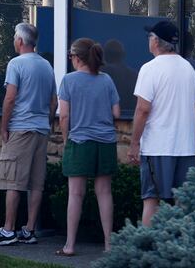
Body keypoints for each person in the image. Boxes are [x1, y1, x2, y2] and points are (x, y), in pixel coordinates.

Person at [0, 23, 57, 246]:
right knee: (36, 183)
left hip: (21, 127)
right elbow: (54, 101)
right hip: (41, 129)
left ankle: (8, 230)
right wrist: (46, 122)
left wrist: (4, 127)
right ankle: (29, 229)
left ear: (20, 41)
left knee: (13, 181)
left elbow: (10, 98)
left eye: (14, 37)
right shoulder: (46, 65)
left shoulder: (16, 63)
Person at [128, 21, 195, 227]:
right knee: (183, 202)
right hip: (186, 148)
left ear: (156, 42)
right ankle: (182, 244)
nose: (148, 41)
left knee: (152, 200)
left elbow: (142, 109)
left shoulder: (150, 69)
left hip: (158, 146)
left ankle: (148, 245)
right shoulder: (189, 69)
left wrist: (134, 143)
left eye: (150, 37)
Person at [57, 38, 120, 256]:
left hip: (79, 141)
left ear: (76, 57)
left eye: (70, 56)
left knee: (75, 194)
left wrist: (66, 140)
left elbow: (64, 116)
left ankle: (70, 245)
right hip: (106, 142)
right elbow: (116, 113)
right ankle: (109, 244)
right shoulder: (106, 79)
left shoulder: (68, 80)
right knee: (104, 192)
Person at [101, 39, 138, 111]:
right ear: (123, 55)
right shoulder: (134, 75)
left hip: (103, 116)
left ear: (104, 55)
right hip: (129, 116)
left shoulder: (97, 74)